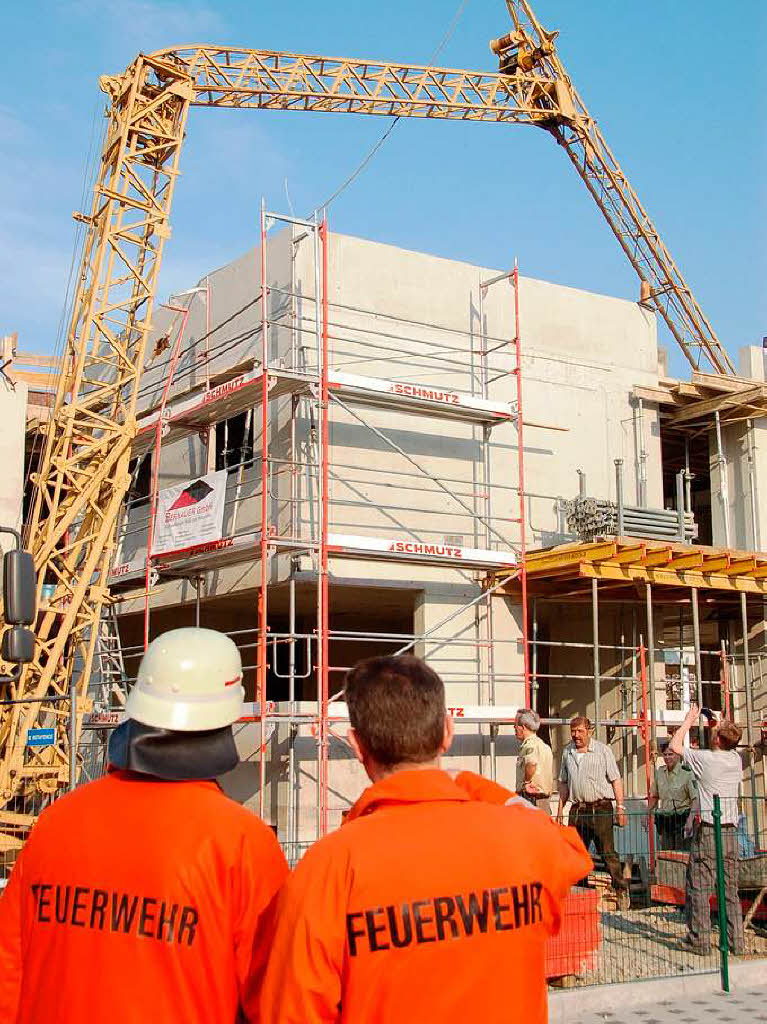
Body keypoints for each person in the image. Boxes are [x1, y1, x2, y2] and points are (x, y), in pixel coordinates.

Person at [256, 655, 592, 1023]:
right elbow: (572, 850)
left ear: (356, 744)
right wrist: (469, 783)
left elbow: (291, 1009)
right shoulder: (525, 839)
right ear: (447, 730)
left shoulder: (329, 866)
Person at [0, 628, 288, 1023]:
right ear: (227, 715)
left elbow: (9, 969)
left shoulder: (58, 819)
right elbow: (273, 999)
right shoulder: (241, 843)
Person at [669, 704, 745, 955]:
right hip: (730, 831)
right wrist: (720, 723)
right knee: (729, 889)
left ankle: (700, 941)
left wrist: (689, 719)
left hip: (710, 832)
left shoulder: (706, 759)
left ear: (718, 739)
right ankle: (737, 943)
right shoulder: (735, 759)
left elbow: (675, 746)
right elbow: (726, 739)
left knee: (699, 888)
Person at [557, 715, 630, 910]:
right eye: (573, 731)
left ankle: (621, 889)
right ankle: (579, 893)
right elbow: (563, 783)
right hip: (578, 809)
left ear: (589, 731)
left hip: (601, 808)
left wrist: (620, 808)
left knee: (607, 852)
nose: (576, 735)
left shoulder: (602, 751)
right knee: (575, 852)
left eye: (580, 731)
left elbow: (615, 780)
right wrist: (560, 810)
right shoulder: (567, 752)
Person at [648, 744, 697, 850]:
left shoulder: (686, 773)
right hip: (666, 820)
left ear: (677, 755)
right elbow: (654, 796)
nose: (667, 757)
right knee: (666, 854)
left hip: (682, 819)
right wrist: (646, 813)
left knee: (682, 855)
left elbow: (695, 799)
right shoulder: (660, 772)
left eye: (670, 754)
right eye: (665, 754)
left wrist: (690, 820)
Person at [514, 707, 554, 814]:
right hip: (542, 801)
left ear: (523, 727)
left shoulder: (529, 746)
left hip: (532, 801)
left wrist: (526, 783)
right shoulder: (544, 746)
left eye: (516, 724)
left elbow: (531, 763)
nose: (514, 727)